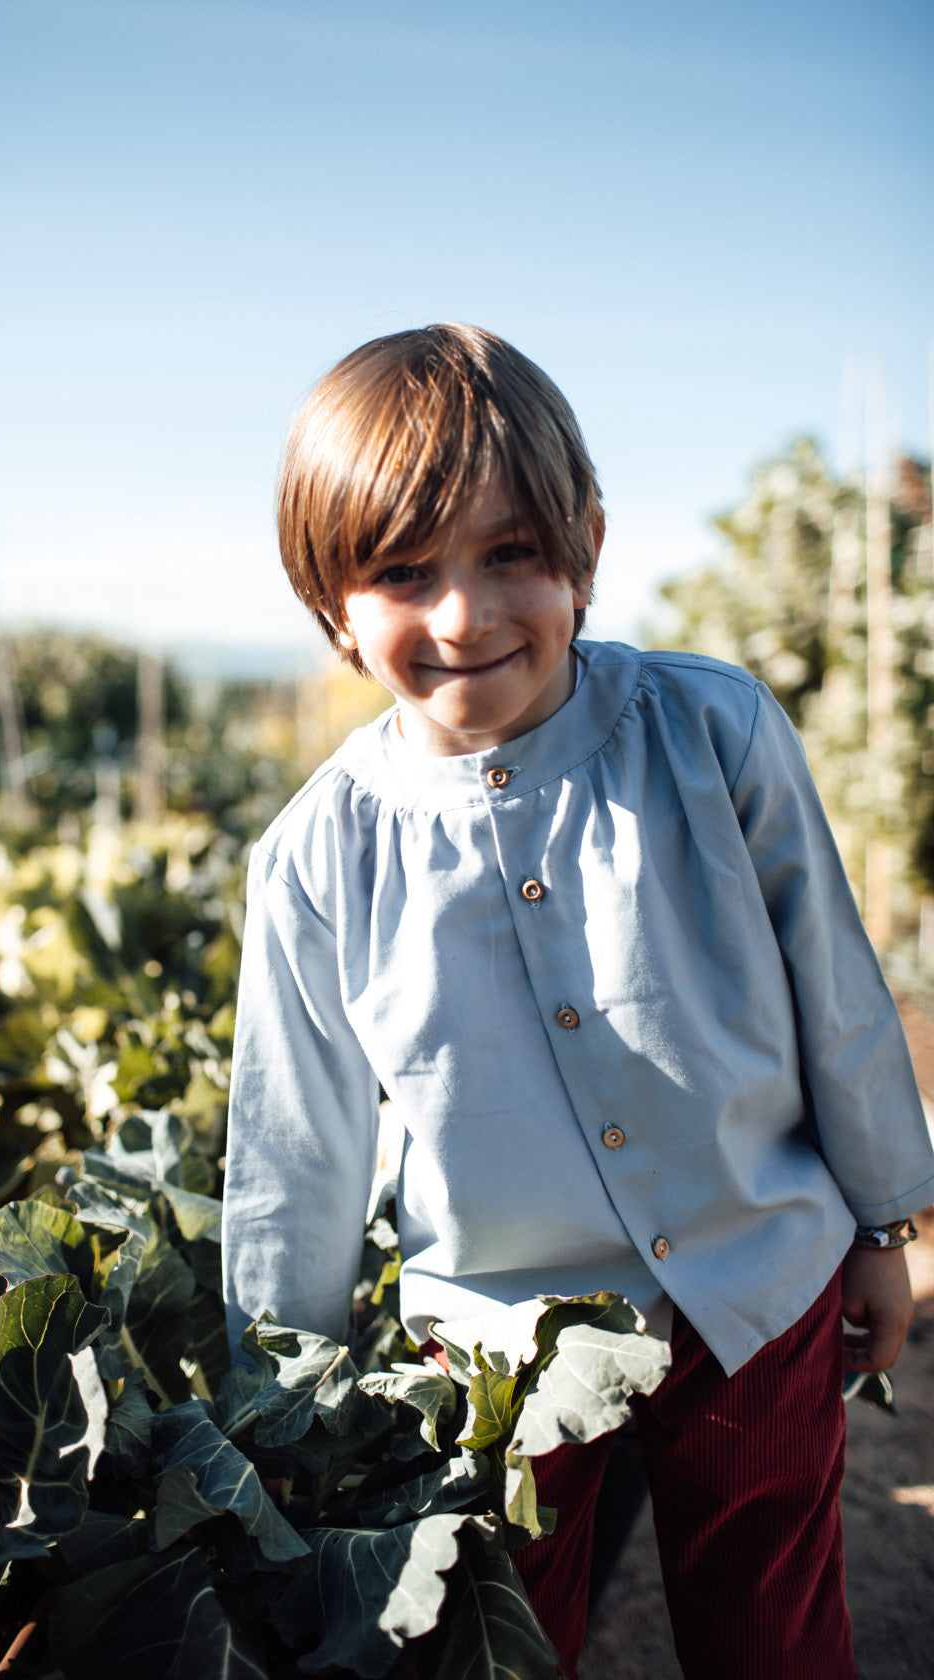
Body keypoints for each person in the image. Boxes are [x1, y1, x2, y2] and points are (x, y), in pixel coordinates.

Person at [220, 323, 934, 1678]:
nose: (466, 617)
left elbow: (834, 985)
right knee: (505, 1642)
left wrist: (884, 1220)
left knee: (771, 1620)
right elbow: (294, 1153)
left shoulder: (713, 731)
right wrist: (281, 1400)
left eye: (511, 555)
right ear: (329, 605)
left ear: (587, 546)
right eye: (403, 574)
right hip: (499, 1343)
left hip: (756, 1279)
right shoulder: (317, 856)